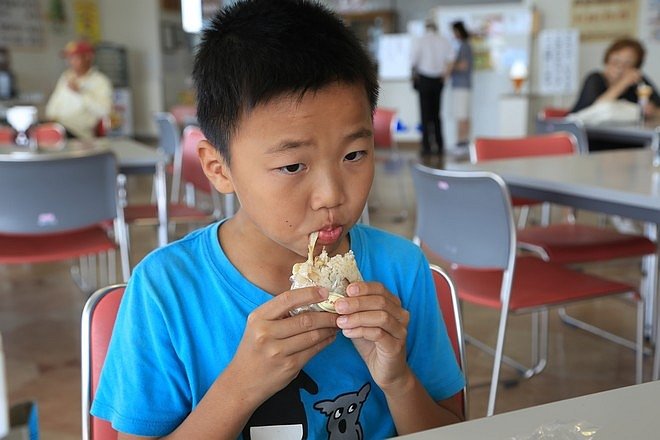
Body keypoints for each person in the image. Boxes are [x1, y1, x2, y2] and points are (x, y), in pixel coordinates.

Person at [91, 1, 465, 439]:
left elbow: (455, 427)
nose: (332, 195)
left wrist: (397, 379)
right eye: (292, 166)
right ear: (218, 168)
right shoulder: (165, 289)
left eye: (354, 155)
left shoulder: (401, 269)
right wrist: (239, 386)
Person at [570, 37, 660, 117]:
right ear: (607, 61)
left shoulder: (638, 82)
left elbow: (657, 108)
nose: (619, 67)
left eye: (627, 63)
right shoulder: (595, 78)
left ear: (635, 68)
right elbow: (596, 110)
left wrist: (653, 111)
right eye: (615, 62)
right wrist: (623, 83)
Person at [45, 40, 112, 139]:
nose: (70, 62)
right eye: (68, 58)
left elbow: (105, 111)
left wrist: (80, 93)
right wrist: (50, 119)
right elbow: (54, 103)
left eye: (74, 58)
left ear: (88, 57)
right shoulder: (66, 77)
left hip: (78, 133)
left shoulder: (100, 81)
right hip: (58, 126)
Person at [411, 20, 454, 158]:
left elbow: (413, 61)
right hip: (438, 80)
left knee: (425, 115)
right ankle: (440, 145)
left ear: (426, 28)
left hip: (424, 79)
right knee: (437, 115)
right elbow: (451, 58)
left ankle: (427, 146)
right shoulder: (444, 40)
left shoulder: (420, 40)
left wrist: (413, 76)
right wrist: (445, 75)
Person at [449, 21, 473, 151]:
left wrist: (450, 66)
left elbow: (463, 65)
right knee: (463, 114)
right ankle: (463, 141)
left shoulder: (464, 46)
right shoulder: (464, 46)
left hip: (461, 86)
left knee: (461, 114)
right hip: (463, 85)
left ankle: (462, 141)